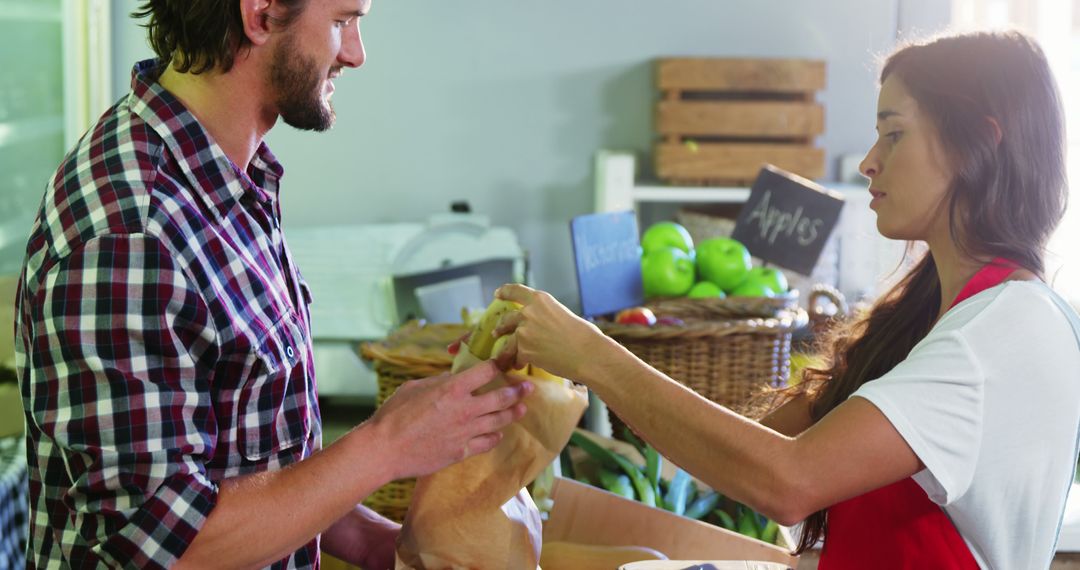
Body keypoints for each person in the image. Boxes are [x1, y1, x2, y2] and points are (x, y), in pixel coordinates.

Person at [495, 30, 1080, 569]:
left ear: (979, 141)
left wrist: (594, 355)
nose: (868, 161)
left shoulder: (1007, 330)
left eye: (894, 133)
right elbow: (763, 443)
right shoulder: (935, 317)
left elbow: (787, 482)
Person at [14, 1, 533, 568]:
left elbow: (258, 467)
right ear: (260, 14)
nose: (356, 54)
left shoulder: (230, 174)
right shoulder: (130, 233)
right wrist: (386, 445)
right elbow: (156, 545)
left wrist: (390, 549)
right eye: (341, 21)